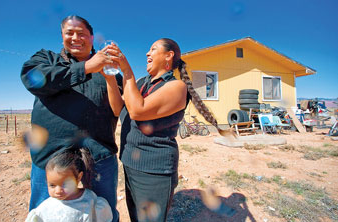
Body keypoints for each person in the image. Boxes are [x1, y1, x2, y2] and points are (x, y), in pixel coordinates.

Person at [103, 38, 224, 222]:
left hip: (154, 170)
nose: (147, 53)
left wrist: (126, 69)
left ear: (169, 55)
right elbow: (118, 109)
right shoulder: (143, 82)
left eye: (153, 49)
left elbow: (138, 110)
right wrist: (110, 77)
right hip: (130, 162)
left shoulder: (177, 87)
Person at [20, 15, 121, 221]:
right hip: (50, 156)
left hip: (99, 154)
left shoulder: (109, 69)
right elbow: (34, 80)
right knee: (44, 213)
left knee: (104, 211)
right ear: (62, 37)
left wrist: (109, 74)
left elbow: (117, 109)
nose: (76, 37)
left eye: (82, 33)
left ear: (92, 38)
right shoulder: (46, 59)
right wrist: (86, 67)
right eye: (69, 33)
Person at [25, 146, 113, 222]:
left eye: (65, 184)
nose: (58, 191)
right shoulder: (45, 209)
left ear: (79, 177)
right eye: (52, 185)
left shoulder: (91, 200)